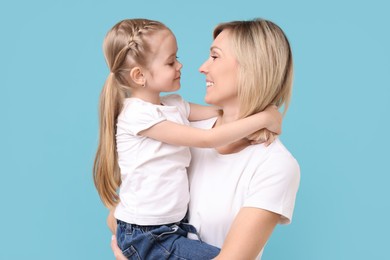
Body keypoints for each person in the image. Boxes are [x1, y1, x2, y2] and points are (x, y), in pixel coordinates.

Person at [109, 17, 300, 260]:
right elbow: (117, 216)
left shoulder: (275, 165)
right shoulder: (183, 129)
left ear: (252, 67)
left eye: (215, 56)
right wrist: (264, 117)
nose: (202, 67)